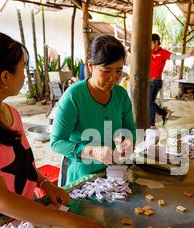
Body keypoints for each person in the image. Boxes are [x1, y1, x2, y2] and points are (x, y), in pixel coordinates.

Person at [0, 30, 110, 228]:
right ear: (5, 77)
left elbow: (22, 162)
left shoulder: (10, 113)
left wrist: (45, 183)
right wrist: (68, 220)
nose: (25, 75)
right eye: (23, 68)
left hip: (22, 216)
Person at [50, 35, 137, 186]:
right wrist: (91, 151)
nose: (113, 78)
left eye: (118, 71)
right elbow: (56, 142)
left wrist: (129, 141)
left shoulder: (121, 95)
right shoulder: (73, 96)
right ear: (90, 66)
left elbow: (129, 128)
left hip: (113, 173)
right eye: (106, 70)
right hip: (81, 176)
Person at [150, 33, 194, 128]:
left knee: (149, 102)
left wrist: (187, 55)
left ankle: (152, 124)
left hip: (155, 81)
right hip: (148, 82)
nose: (150, 45)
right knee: (149, 102)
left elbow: (176, 57)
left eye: (151, 42)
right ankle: (164, 113)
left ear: (156, 42)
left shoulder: (163, 53)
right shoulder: (149, 52)